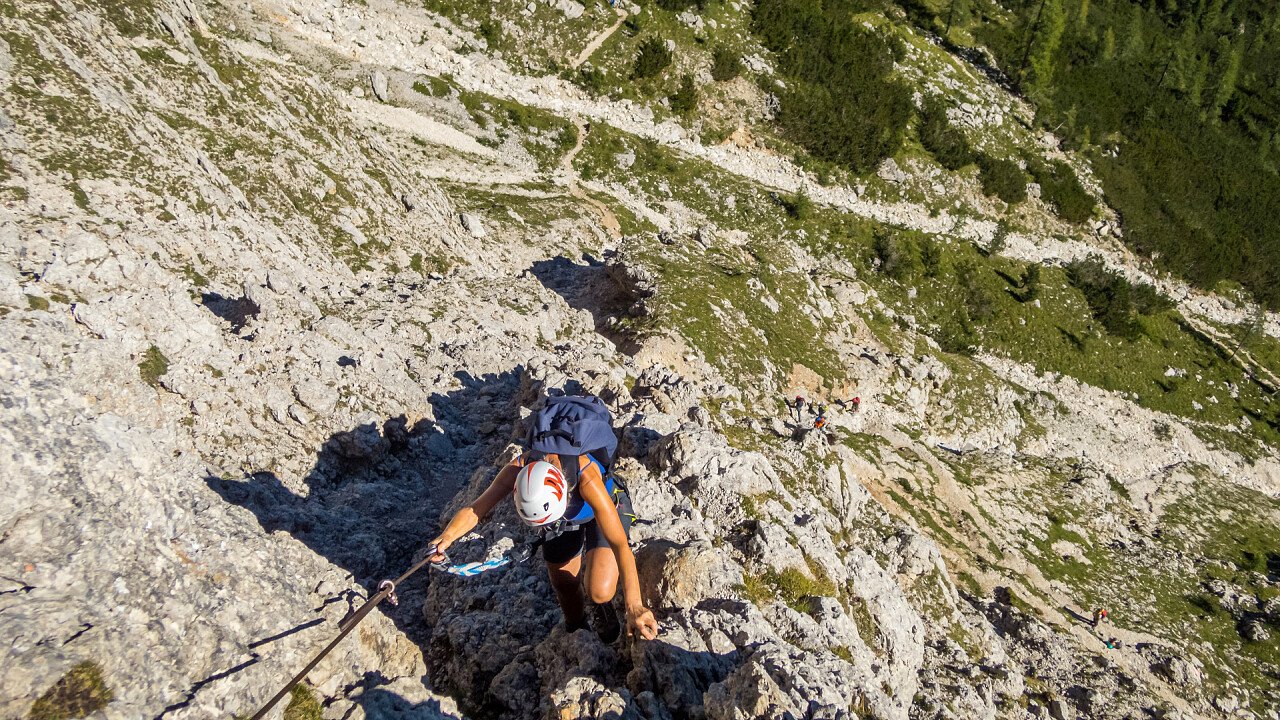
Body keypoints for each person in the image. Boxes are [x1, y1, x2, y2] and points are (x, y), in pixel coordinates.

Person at [428, 450, 658, 642]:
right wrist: (447, 537)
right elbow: (477, 509)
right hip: (561, 520)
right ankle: (576, 628)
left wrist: (634, 605)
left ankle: (601, 605)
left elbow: (619, 545)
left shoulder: (587, 478)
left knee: (599, 589)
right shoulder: (518, 469)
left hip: (605, 506)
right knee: (563, 581)